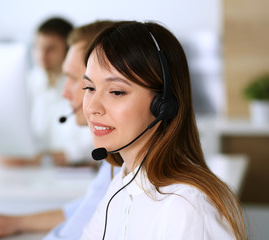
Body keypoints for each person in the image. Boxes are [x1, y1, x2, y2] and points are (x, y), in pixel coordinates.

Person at [80, 21, 247, 239]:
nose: (92, 107)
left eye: (117, 92)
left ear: (163, 105)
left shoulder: (187, 207)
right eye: (90, 88)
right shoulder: (122, 183)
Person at [0, 21, 119, 240]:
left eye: (74, 79)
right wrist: (17, 222)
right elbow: (88, 207)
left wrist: (39, 159)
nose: (65, 93)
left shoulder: (126, 166)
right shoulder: (117, 165)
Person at [0, 17, 92, 167]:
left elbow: (88, 149)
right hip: (32, 174)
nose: (42, 55)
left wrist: (40, 159)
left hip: (70, 177)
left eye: (51, 49)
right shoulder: (24, 85)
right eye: (37, 47)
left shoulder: (83, 87)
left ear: (68, 50)